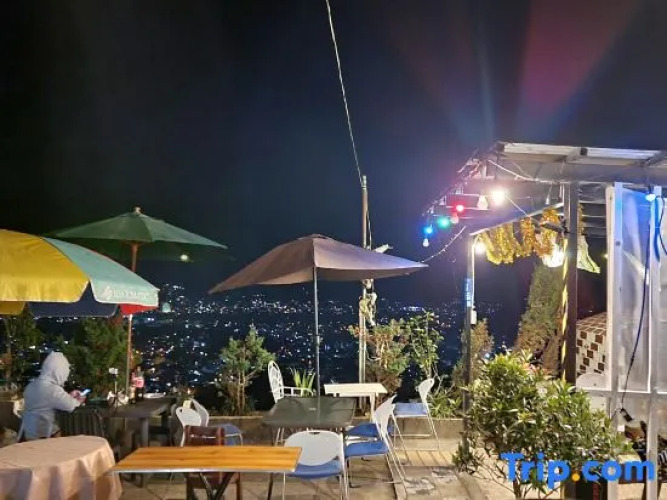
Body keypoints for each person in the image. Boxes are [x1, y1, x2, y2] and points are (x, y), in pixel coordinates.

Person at [21, 352, 86, 440]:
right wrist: (79, 400)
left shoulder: (31, 386)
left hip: (29, 434)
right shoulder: (53, 389)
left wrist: (69, 395)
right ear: (59, 371)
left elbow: (47, 401)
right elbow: (71, 406)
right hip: (46, 435)